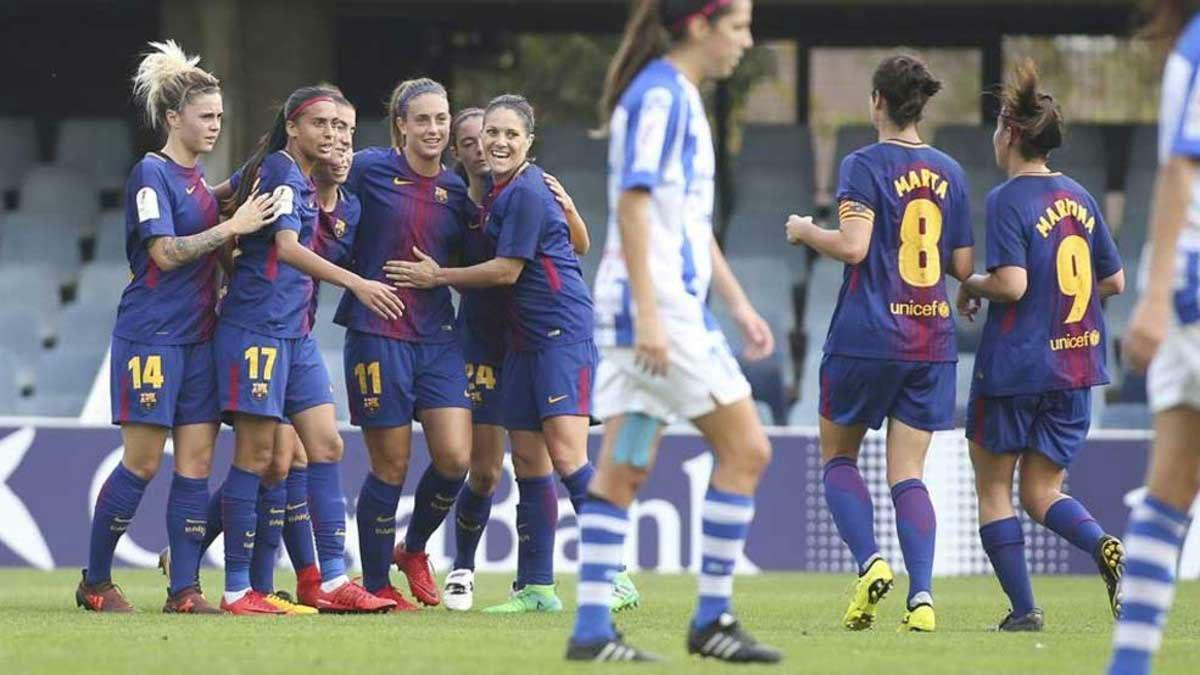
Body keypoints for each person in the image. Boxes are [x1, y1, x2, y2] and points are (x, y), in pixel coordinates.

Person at [563, 0, 782, 662]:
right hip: (657, 314)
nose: (746, 41)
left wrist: (738, 303)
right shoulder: (663, 97)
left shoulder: (670, 94)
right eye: (739, 26)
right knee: (747, 450)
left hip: (651, 312)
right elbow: (631, 205)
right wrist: (651, 313)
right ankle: (712, 619)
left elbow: (680, 218)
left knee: (623, 470)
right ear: (699, 25)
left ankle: (592, 630)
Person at [388, 94, 612, 615]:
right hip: (482, 341)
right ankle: (464, 570)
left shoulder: (521, 193)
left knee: (546, 457)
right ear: (461, 151)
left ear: (523, 141)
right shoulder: (456, 204)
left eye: (490, 137)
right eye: (471, 141)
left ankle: (572, 575)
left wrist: (573, 209)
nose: (482, 148)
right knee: (484, 469)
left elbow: (575, 245)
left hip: (527, 335)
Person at [76, 40, 278, 615]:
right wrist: (231, 225)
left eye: (220, 116)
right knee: (141, 463)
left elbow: (210, 207)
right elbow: (164, 252)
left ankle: (184, 590)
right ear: (173, 119)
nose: (215, 125)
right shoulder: (151, 173)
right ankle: (94, 581)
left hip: (200, 340)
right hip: (152, 335)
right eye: (205, 116)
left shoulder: (196, 182)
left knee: (195, 465)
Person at [785, 54, 973, 633]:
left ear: (877, 102)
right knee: (907, 474)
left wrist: (804, 230)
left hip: (866, 335)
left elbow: (853, 246)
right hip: (929, 339)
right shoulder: (951, 172)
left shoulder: (863, 164)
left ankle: (870, 564)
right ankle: (922, 600)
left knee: (838, 458)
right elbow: (962, 264)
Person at [440, 107, 638, 612]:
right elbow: (574, 242)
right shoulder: (504, 192)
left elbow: (507, 272)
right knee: (530, 460)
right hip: (524, 342)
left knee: (569, 457)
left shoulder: (527, 191)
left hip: (559, 336)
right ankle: (536, 587)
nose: (499, 141)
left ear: (530, 139)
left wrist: (436, 277)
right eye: (492, 133)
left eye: (511, 133)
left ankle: (616, 573)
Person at [214, 85, 402, 615]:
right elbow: (286, 249)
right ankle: (234, 590)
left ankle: (335, 579)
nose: (336, 136)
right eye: (323, 124)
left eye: (344, 128)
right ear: (293, 127)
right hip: (257, 330)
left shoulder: (333, 198)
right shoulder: (277, 167)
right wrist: (360, 285)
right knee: (258, 458)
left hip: (296, 335)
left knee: (326, 447)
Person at [957, 59, 1125, 632]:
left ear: (1009, 132)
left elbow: (1012, 284)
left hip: (1015, 367)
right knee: (1042, 491)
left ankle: (1025, 611)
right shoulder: (1080, 196)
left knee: (994, 491)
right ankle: (1101, 542)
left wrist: (971, 283)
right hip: (1075, 365)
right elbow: (1113, 281)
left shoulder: (1008, 199)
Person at [337, 78, 476, 610]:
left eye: (442, 119)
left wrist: (439, 276)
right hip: (377, 336)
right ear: (401, 125)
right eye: (422, 119)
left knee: (454, 458)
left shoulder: (458, 192)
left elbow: (472, 264)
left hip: (438, 338)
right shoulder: (369, 167)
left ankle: (412, 548)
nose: (435, 129)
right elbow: (319, 192)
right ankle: (374, 584)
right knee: (390, 467)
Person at [1109, 2, 1200, 672]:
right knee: (1171, 483)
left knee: (1171, 485)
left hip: (1183, 286)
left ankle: (1129, 665)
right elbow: (1179, 168)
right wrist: (1157, 296)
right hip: (1192, 286)